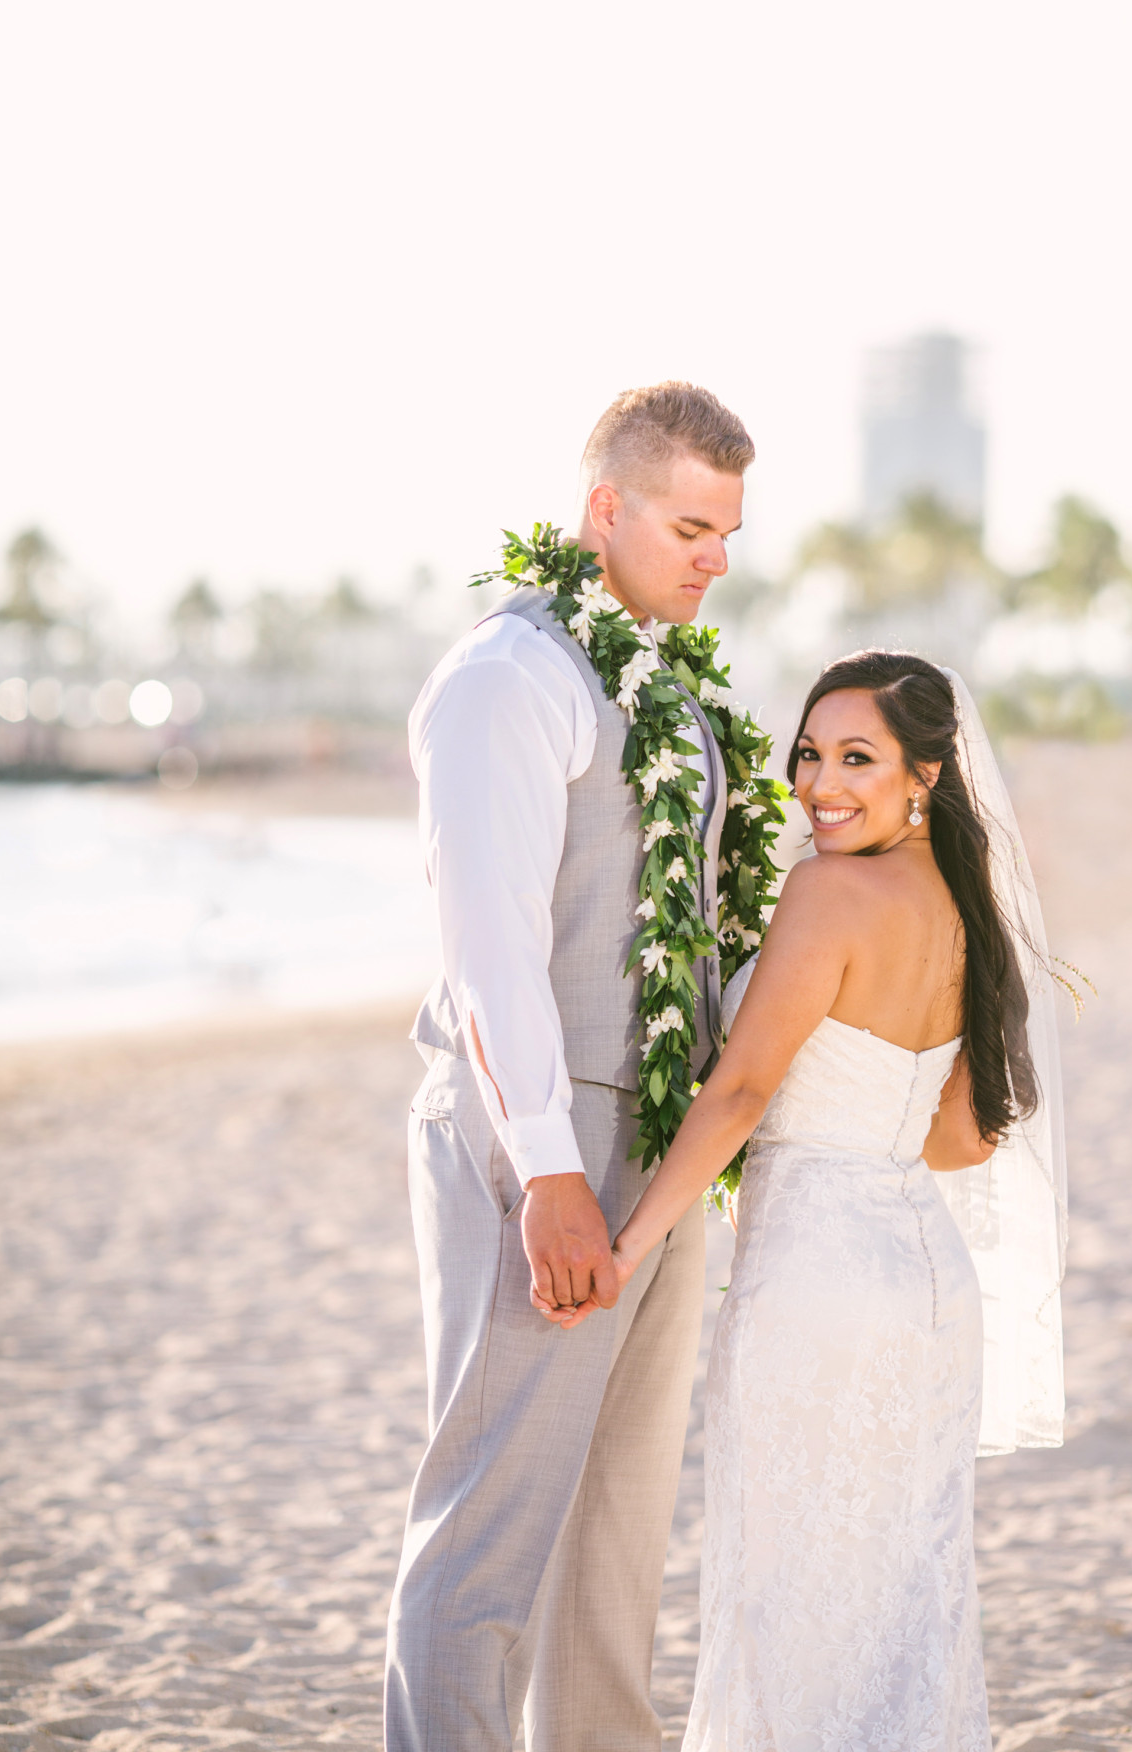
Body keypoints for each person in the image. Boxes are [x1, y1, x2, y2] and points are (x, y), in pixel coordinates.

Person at [546, 651, 1067, 1750]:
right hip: (924, 1278)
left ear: (927, 770)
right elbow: (958, 1138)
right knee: (903, 1592)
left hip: (817, 1280)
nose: (821, 782)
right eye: (810, 755)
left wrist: (631, 1242)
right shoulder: (964, 907)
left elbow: (740, 1086)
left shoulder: (829, 889)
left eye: (858, 757)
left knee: (784, 1583)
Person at [383, 382, 755, 1752]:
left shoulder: (657, 677)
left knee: (616, 1523)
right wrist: (547, 1172)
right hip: (540, 1143)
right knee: (489, 1523)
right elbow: (490, 949)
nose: (714, 556)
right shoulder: (509, 677)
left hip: (654, 1144)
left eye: (727, 530)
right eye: (688, 524)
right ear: (604, 510)